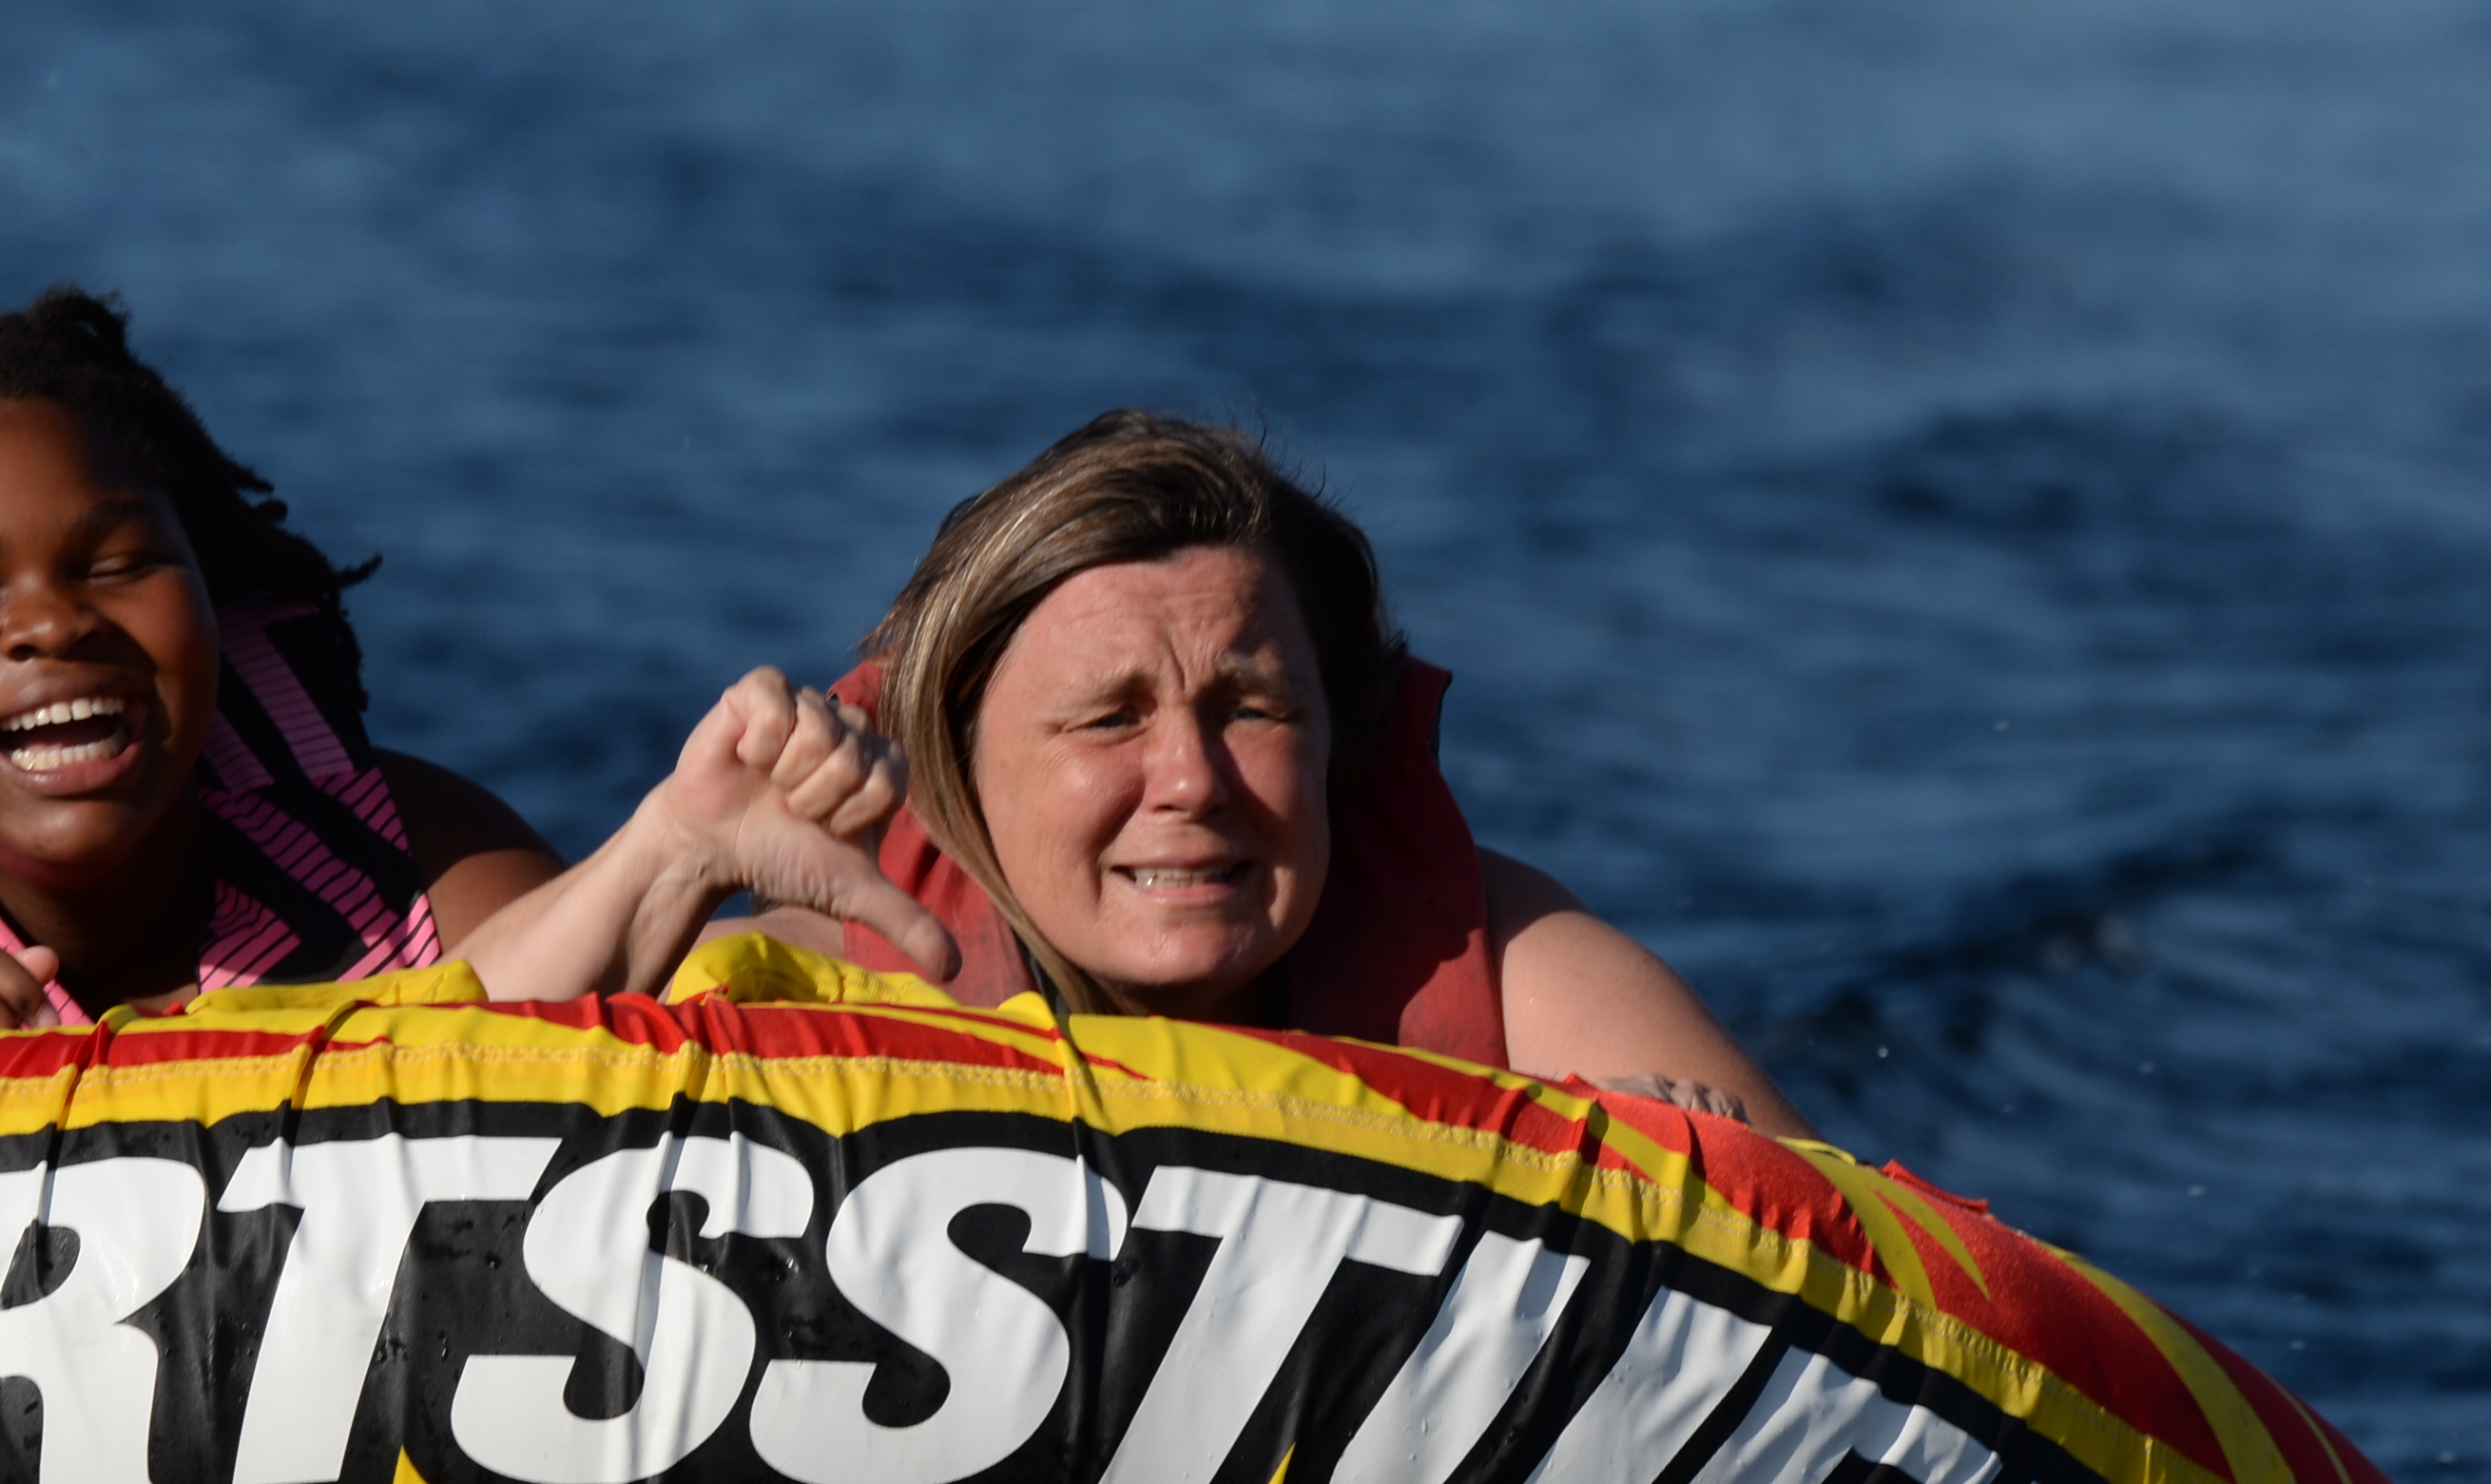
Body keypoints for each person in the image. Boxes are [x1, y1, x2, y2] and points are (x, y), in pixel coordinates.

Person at [0, 291, 946, 1125]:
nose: (52, 625)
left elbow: (573, 1066)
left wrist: (688, 855)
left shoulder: (398, 853)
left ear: (213, 602)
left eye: (117, 566)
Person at [767, 409, 1812, 1135]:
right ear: (959, 769)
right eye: (1108, 719)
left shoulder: (1513, 976)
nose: (1191, 781)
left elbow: (1883, 1300)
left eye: (1250, 711)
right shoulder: (812, 991)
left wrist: (1656, 1193)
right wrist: (683, 863)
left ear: (1335, 740)